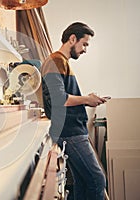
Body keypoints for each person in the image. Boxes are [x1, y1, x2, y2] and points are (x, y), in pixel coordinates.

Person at [40, 22, 107, 200]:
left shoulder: (61, 62)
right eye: (84, 44)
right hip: (70, 132)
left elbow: (65, 97)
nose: (85, 49)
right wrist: (86, 99)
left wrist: (87, 100)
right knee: (97, 180)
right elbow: (59, 99)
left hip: (73, 130)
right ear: (72, 39)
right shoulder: (55, 61)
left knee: (84, 182)